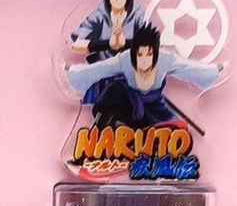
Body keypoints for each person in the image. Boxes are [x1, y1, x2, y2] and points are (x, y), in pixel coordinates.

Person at [65, 21, 224, 130]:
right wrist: (73, 72)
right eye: (139, 54)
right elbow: (101, 68)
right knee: (114, 91)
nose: (144, 60)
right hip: (129, 104)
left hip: (154, 108)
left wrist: (213, 70)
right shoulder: (125, 59)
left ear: (156, 53)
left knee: (175, 131)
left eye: (149, 54)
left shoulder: (165, 59)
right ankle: (98, 137)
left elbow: (187, 67)